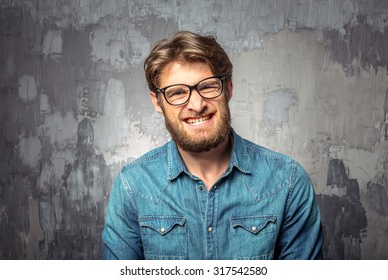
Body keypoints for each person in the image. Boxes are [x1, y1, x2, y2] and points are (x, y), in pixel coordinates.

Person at [101, 31, 324, 260]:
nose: (197, 105)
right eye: (177, 92)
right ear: (157, 102)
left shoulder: (287, 182)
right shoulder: (133, 186)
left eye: (207, 87)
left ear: (228, 89)